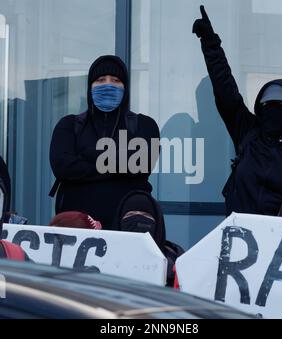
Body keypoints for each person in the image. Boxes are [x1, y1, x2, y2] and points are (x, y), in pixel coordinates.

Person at [193, 6, 282, 216]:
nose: (274, 110)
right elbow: (226, 91)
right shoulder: (249, 132)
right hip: (240, 237)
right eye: (268, 105)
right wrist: (210, 44)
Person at [50, 55, 160, 228]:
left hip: (128, 227)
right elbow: (62, 167)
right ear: (90, 87)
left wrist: (87, 155)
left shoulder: (144, 125)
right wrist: (119, 164)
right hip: (76, 228)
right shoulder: (69, 125)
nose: (108, 85)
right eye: (100, 80)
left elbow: (141, 164)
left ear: (126, 87)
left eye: (116, 80)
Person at [113, 191, 185, 287]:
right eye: (130, 215)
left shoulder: (175, 258)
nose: (138, 219)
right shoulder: (104, 256)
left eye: (145, 216)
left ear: (158, 223)